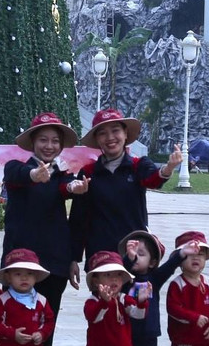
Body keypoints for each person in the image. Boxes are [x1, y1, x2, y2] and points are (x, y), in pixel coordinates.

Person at [1, 112, 86, 346]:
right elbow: (19, 176)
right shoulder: (16, 169)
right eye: (43, 140)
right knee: (11, 332)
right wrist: (35, 176)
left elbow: (67, 189)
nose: (49, 146)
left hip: (53, 266)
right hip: (18, 265)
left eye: (54, 141)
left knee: (43, 334)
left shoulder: (63, 177)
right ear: (33, 142)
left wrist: (73, 258)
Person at [69, 108, 181, 263]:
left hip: (134, 252)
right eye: (102, 133)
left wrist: (168, 169)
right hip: (100, 255)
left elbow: (153, 180)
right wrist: (73, 259)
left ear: (125, 134)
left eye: (115, 130)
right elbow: (78, 218)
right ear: (97, 139)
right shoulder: (88, 172)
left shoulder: (138, 166)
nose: (110, 137)